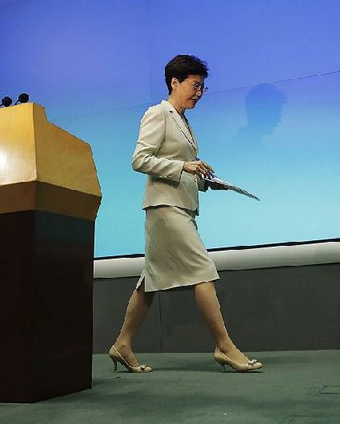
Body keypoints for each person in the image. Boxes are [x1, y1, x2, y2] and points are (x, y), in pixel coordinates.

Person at [108, 54, 263, 373]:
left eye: (202, 88)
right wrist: (183, 165)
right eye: (194, 85)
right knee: (202, 270)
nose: (198, 93)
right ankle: (225, 346)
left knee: (150, 281)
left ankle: (122, 345)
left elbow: (180, 168)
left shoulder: (184, 121)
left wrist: (207, 183)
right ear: (174, 83)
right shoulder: (157, 113)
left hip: (181, 207)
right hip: (165, 208)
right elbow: (140, 160)